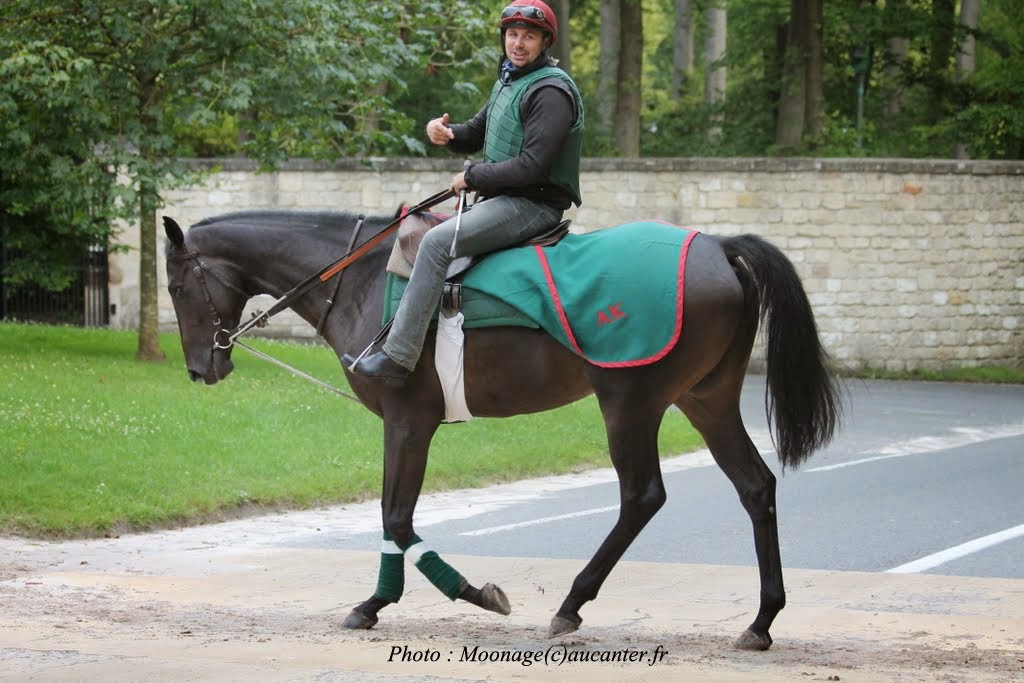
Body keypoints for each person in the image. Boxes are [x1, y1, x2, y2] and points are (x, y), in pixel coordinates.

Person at [344, 0, 584, 382]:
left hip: (534, 205)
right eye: (512, 35)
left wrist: (473, 177)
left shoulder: (551, 93)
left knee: (437, 243)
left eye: (528, 36)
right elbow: (478, 130)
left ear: (544, 42)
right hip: (506, 197)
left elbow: (532, 165)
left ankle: (399, 357)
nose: (518, 43)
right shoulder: (512, 80)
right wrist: (448, 133)